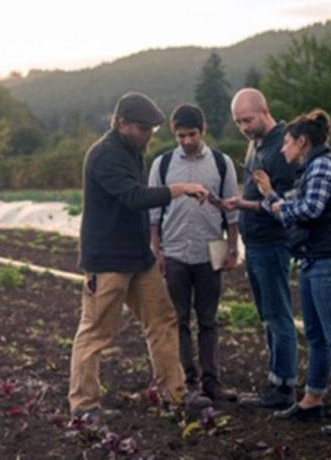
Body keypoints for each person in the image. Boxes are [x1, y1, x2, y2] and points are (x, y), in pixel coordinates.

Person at [70, 92, 212, 424]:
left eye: (152, 130)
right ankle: (83, 405)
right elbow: (134, 198)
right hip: (107, 260)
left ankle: (174, 392)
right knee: (95, 331)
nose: (150, 135)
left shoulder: (132, 151)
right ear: (122, 124)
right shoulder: (105, 155)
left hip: (138, 257)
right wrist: (181, 188)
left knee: (162, 319)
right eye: (144, 128)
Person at [253, 109, 331, 437]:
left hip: (330, 261)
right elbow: (289, 207)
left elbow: (308, 210)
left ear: (302, 142)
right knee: (317, 337)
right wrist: (268, 196)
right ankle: (312, 400)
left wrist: (276, 206)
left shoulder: (322, 165)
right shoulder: (310, 168)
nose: (282, 148)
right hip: (312, 260)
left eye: (288, 142)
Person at [148, 104, 239, 402]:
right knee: (179, 319)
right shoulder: (162, 165)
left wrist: (232, 248)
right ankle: (186, 380)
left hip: (211, 248)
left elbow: (231, 212)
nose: (186, 141)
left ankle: (212, 382)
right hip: (174, 250)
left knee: (209, 320)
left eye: (192, 134)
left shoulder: (221, 163)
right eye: (180, 136)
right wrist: (156, 249)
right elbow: (153, 213)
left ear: (204, 130)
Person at [222, 89, 300, 409]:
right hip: (255, 243)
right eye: (238, 122)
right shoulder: (255, 144)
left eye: (248, 120)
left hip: (271, 244)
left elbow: (284, 203)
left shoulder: (283, 147)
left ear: (265, 111)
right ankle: (275, 380)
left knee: (278, 315)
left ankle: (284, 387)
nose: (244, 126)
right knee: (267, 315)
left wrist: (244, 204)